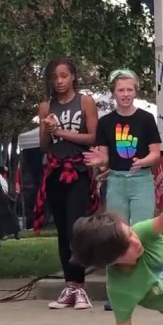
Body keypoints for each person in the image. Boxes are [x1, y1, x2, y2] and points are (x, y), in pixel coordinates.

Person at [85, 69, 161, 311]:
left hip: (141, 180)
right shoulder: (106, 123)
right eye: (121, 90)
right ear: (113, 93)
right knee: (115, 235)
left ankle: (145, 288)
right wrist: (99, 162)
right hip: (116, 181)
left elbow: (155, 153)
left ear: (136, 91)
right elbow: (105, 157)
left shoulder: (147, 119)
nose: (125, 94)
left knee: (142, 234)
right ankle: (116, 291)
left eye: (129, 89)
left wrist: (143, 161)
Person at [33, 56, 99, 310]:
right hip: (54, 171)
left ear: (73, 76)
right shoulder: (45, 106)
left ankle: (80, 286)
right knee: (62, 230)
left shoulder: (85, 101)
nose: (59, 81)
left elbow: (93, 136)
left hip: (78, 171)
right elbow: (43, 146)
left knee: (76, 228)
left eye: (63, 75)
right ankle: (69, 286)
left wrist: (61, 132)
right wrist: (48, 130)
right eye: (55, 77)